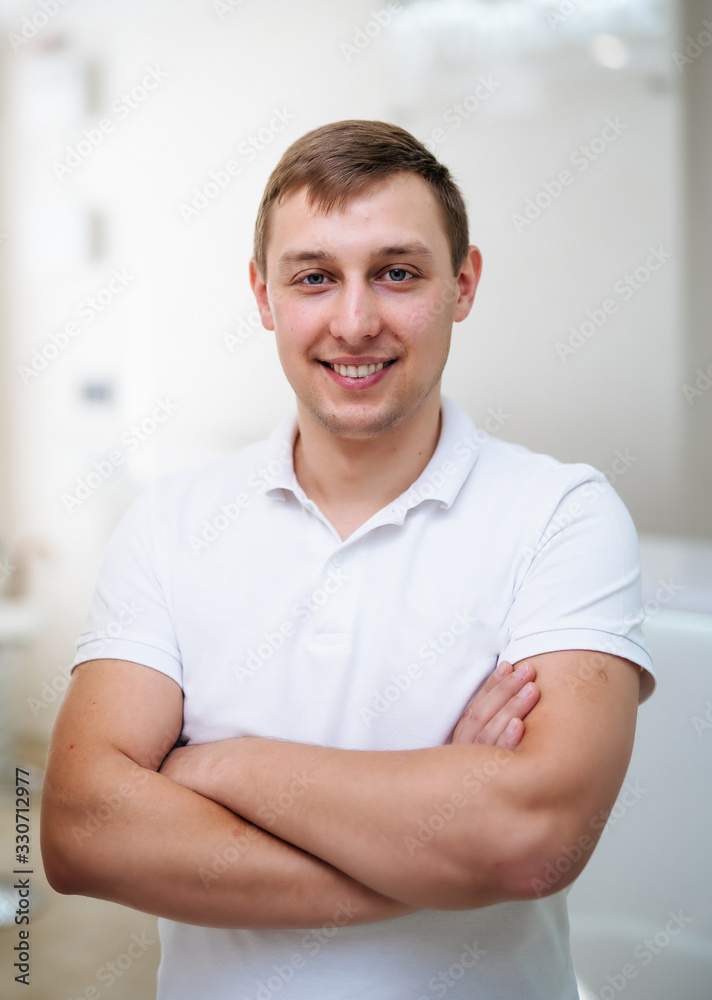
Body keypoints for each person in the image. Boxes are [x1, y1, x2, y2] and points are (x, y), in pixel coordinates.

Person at [41, 119, 656, 1000]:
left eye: (397, 273)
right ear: (264, 296)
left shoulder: (562, 513)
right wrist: (437, 848)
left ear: (463, 284)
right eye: (315, 277)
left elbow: (532, 838)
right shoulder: (171, 523)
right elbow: (80, 829)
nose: (356, 321)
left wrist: (218, 766)